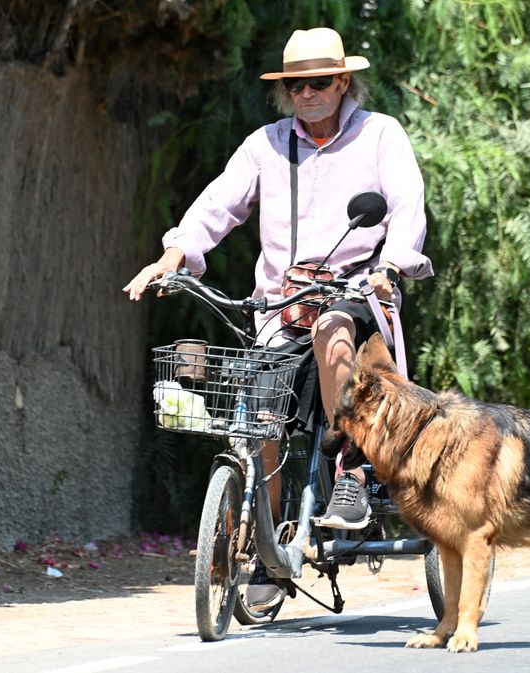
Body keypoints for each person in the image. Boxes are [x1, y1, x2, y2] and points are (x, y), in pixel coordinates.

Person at [123, 27, 432, 609]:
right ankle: (262, 549)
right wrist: (171, 259)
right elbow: (216, 206)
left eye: (320, 82)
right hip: (280, 306)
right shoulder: (265, 145)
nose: (307, 94)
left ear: (343, 82)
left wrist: (391, 265)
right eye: (296, 86)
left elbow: (406, 206)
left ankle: (351, 473)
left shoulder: (380, 135)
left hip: (356, 296)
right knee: (259, 419)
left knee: (332, 331)